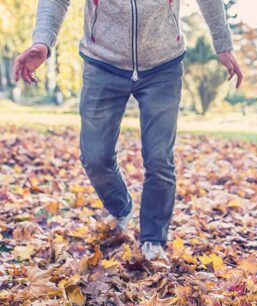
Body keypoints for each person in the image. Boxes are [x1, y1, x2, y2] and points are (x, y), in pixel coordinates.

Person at [13, 0, 242, 261]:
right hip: (102, 61)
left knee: (159, 160)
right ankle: (121, 207)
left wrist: (222, 43)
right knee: (95, 157)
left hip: (163, 64)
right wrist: (42, 40)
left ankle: (153, 240)